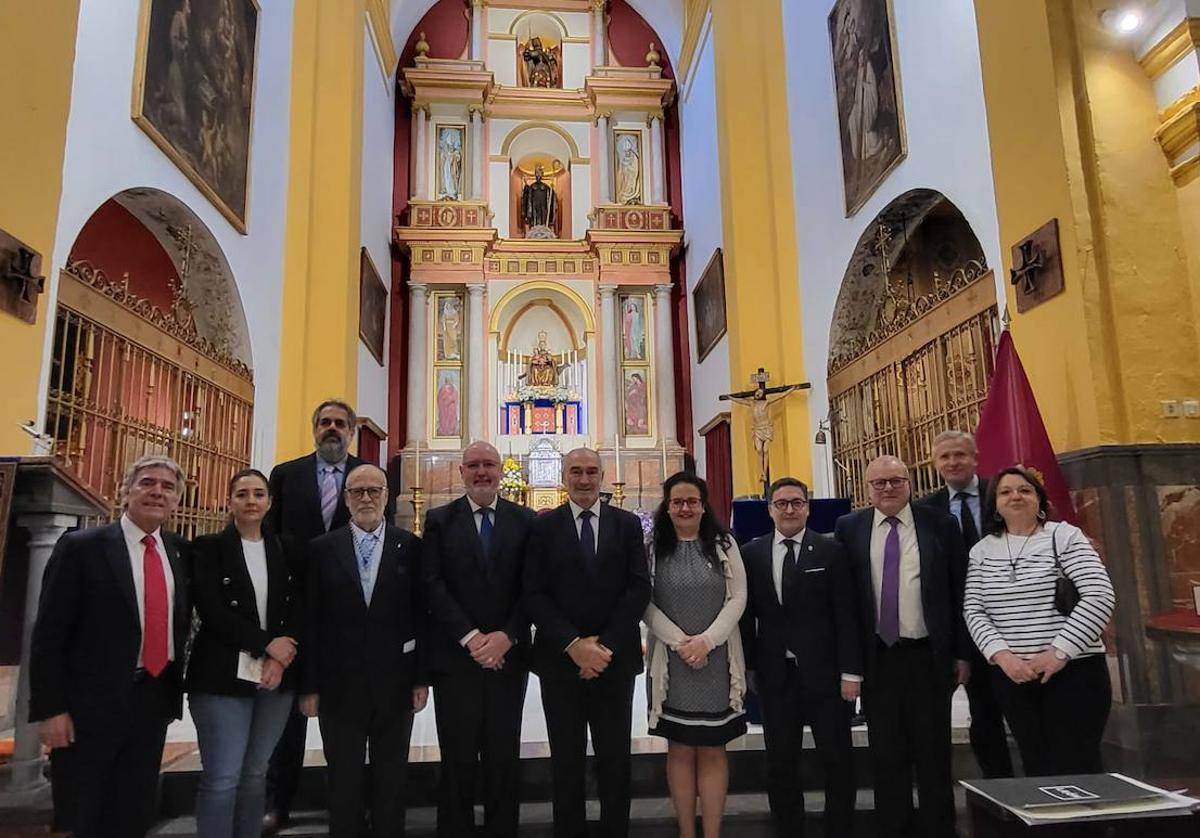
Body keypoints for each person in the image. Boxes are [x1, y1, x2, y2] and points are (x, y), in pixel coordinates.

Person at [30, 455, 192, 837]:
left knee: (134, 811)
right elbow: (50, 633)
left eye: (168, 487)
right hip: (89, 706)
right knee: (82, 813)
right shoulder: (82, 547)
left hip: (152, 699)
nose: (157, 492)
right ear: (126, 492)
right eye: (147, 483)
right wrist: (51, 709)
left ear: (176, 501)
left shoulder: (179, 551)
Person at [261, 399, 394, 831]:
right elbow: (270, 539)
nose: (332, 429)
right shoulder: (286, 474)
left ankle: (368, 801)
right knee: (292, 715)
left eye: (340, 423)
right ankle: (278, 802)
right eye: (325, 423)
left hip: (351, 611)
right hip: (297, 606)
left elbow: (377, 534)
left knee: (361, 720)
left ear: (352, 431)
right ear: (314, 428)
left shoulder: (368, 477)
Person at [833, 454, 970, 838]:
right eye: (879, 483)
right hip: (878, 658)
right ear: (867, 489)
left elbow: (959, 592)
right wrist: (850, 664)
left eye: (896, 480)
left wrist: (962, 653)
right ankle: (894, 829)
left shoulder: (940, 524)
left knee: (933, 752)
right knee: (886, 753)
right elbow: (845, 602)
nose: (888, 488)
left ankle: (939, 829)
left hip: (928, 655)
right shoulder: (849, 527)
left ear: (909, 483)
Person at [522, 447, 651, 838]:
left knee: (615, 758)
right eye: (575, 471)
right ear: (564, 475)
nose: (583, 479)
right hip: (560, 662)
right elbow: (533, 592)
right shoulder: (542, 527)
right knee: (566, 758)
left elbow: (638, 587)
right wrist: (574, 644)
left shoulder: (627, 524)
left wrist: (603, 646)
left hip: (615, 660)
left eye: (590, 471)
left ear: (602, 475)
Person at [300, 464, 428, 837]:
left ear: (387, 496)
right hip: (339, 683)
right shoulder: (322, 549)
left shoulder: (411, 546)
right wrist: (310, 686)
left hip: (395, 682)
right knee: (343, 775)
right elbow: (310, 620)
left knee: (392, 775)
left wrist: (421, 678)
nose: (367, 498)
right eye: (358, 492)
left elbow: (420, 617)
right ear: (346, 499)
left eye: (375, 491)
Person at [965, 466, 1115, 776]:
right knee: (1036, 764)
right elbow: (974, 610)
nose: (1015, 496)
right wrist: (1003, 657)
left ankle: (1086, 825)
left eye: (1024, 490)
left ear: (1039, 498)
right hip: (1015, 677)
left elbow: (1099, 596)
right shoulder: (981, 551)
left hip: (1074, 673)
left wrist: (1059, 652)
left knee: (1076, 765)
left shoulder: (1064, 536)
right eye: (1005, 492)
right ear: (994, 503)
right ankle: (1050, 826)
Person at [422, 441, 536, 837]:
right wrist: (470, 637)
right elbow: (432, 583)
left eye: (489, 464)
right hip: (457, 660)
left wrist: (507, 636)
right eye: (474, 465)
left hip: (509, 657)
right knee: (457, 755)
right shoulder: (438, 519)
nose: (482, 472)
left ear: (501, 470)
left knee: (503, 755)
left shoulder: (525, 520)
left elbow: (533, 587)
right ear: (461, 472)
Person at [741, 477, 861, 837]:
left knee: (836, 759)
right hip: (776, 675)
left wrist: (851, 672)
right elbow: (747, 618)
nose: (789, 509)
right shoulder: (752, 553)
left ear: (807, 507)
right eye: (781, 503)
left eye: (796, 502)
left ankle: (839, 828)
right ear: (770, 509)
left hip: (826, 675)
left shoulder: (832, 551)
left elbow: (847, 615)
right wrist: (748, 666)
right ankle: (788, 828)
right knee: (781, 762)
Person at [186, 469, 302, 838]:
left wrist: (281, 654)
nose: (251, 501)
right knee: (223, 777)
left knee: (256, 773)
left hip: (276, 676)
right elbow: (213, 609)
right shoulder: (208, 548)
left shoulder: (285, 549)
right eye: (242, 494)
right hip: (222, 674)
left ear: (270, 502)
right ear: (229, 500)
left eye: (258, 494)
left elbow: (298, 606)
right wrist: (267, 644)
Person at [644, 473, 747, 838]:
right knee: (681, 750)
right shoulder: (654, 545)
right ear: (667, 507)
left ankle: (713, 833)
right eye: (677, 502)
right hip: (672, 663)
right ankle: (687, 833)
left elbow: (738, 597)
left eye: (692, 501)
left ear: (704, 506)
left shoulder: (723, 544)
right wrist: (681, 643)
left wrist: (707, 641)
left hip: (717, 660)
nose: (685, 508)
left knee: (714, 749)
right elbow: (646, 602)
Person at [918, 430, 1014, 779]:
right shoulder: (925, 510)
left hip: (1010, 622)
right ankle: (998, 787)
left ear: (975, 458)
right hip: (959, 628)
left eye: (959, 455)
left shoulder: (1004, 494)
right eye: (944, 457)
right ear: (935, 463)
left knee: (1020, 711)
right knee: (984, 715)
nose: (953, 462)